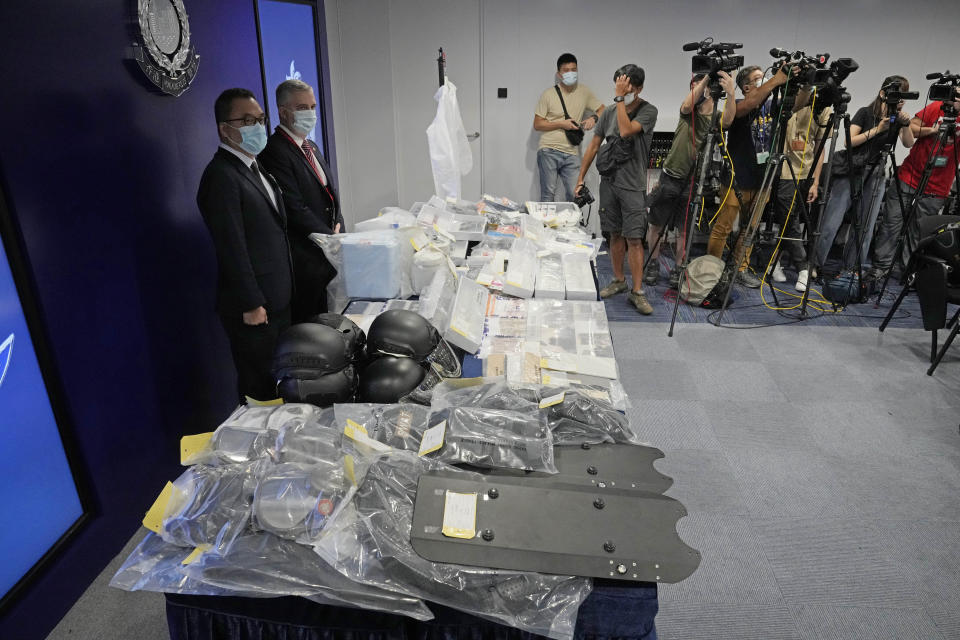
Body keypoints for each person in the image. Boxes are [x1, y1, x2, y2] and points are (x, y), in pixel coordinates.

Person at [197, 88, 292, 402]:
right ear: (225, 128)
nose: (258, 127)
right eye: (248, 120)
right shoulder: (221, 176)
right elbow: (231, 246)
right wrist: (252, 303)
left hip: (276, 298)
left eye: (261, 119)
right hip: (254, 307)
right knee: (258, 384)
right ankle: (259, 444)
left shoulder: (254, 165)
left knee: (277, 378)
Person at [812, 76, 915, 280]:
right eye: (897, 95)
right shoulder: (866, 113)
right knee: (832, 221)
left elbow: (908, 143)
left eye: (903, 97)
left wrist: (905, 124)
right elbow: (849, 141)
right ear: (883, 94)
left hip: (876, 173)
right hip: (852, 171)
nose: (900, 101)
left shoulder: (898, 118)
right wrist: (879, 129)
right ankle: (814, 264)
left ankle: (852, 269)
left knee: (866, 226)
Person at [259, 79, 344, 322]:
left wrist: (338, 227)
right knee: (312, 327)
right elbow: (294, 207)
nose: (311, 113)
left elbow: (330, 193)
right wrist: (329, 237)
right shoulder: (274, 151)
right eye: (303, 108)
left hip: (327, 255)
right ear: (283, 112)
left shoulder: (311, 147)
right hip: (305, 261)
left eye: (313, 107)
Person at [576, 64, 657, 314]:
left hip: (632, 185)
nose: (622, 90)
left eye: (628, 86)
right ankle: (619, 281)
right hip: (609, 182)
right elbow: (593, 146)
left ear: (639, 88)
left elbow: (625, 130)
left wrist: (621, 98)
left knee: (634, 238)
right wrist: (580, 179)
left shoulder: (648, 111)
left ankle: (638, 291)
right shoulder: (609, 112)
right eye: (619, 85)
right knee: (614, 234)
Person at [644, 71, 737, 289]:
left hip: (693, 180)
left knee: (684, 230)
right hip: (670, 176)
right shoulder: (689, 111)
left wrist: (731, 92)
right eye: (693, 85)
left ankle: (679, 267)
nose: (694, 89)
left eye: (699, 85)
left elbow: (729, 121)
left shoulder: (715, 116)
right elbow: (686, 104)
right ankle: (653, 264)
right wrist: (704, 81)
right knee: (656, 224)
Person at [707, 64, 790, 288]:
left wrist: (803, 86)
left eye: (764, 78)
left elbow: (798, 104)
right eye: (758, 79)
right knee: (724, 226)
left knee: (750, 228)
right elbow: (747, 107)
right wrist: (775, 80)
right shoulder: (738, 104)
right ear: (746, 87)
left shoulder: (772, 106)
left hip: (762, 178)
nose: (764, 81)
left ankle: (740, 267)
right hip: (736, 177)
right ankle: (712, 269)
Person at [871, 86, 959, 277]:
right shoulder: (936, 107)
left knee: (918, 232)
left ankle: (906, 271)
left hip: (938, 186)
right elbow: (910, 128)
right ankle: (881, 267)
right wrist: (932, 130)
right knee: (891, 223)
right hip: (909, 175)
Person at [769, 94, 833, 291]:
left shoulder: (823, 107)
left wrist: (815, 182)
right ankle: (803, 266)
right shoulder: (787, 97)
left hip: (806, 172)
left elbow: (820, 147)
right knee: (789, 219)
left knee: (791, 219)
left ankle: (775, 263)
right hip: (784, 171)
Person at [534, 53, 604, 202]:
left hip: (572, 152)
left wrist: (594, 118)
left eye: (574, 69)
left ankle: (572, 224)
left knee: (575, 195)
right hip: (549, 150)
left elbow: (603, 109)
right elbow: (537, 124)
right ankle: (545, 225)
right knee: (548, 195)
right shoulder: (548, 94)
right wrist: (561, 123)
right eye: (566, 70)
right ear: (559, 74)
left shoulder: (584, 92)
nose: (570, 73)